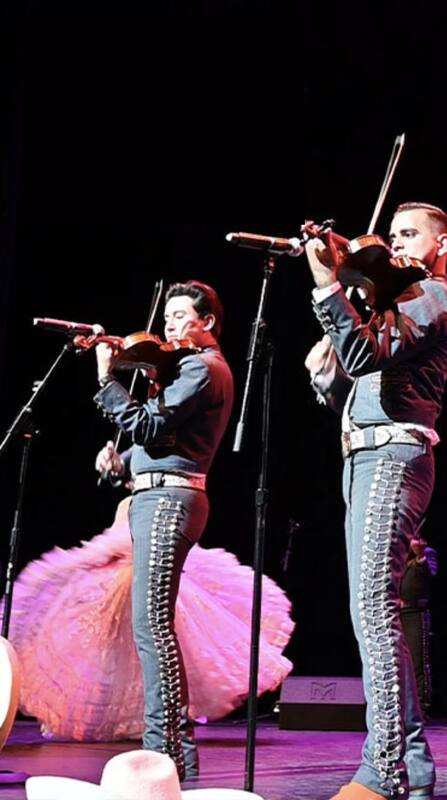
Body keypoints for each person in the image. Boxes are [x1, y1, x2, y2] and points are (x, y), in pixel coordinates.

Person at [305, 201, 447, 800]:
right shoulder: (394, 305)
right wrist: (329, 359)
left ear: (440, 245)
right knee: (368, 606)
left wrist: (327, 289)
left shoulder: (433, 297)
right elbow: (356, 369)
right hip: (366, 456)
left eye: (409, 234)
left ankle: (386, 768)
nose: (395, 243)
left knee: (373, 606)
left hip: (394, 456)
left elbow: (371, 354)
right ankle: (412, 767)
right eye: (391, 234)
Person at [91, 280, 234, 779]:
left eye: (179, 315)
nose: (168, 325)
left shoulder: (201, 366)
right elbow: (157, 437)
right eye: (167, 315)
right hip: (159, 494)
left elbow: (151, 426)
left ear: (207, 321)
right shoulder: (186, 367)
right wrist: (121, 460)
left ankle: (168, 750)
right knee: (151, 624)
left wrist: (108, 383)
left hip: (171, 499)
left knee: (152, 625)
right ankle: (172, 750)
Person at [10, 496, 294, 742]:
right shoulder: (148, 502)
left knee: (139, 656)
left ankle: (156, 721)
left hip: (139, 584)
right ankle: (149, 720)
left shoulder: (144, 503)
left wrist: (81, 562)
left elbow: (120, 544)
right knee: (134, 659)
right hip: (131, 585)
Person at [399, 532, 437, 715]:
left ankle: (422, 707)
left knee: (418, 661)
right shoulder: (399, 553)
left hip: (415, 613)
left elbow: (430, 574)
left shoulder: (427, 553)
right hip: (396, 612)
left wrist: (420, 555)